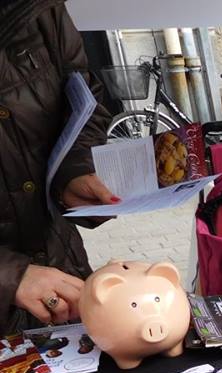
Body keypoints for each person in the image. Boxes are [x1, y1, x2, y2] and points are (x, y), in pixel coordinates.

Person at [1, 0, 117, 334]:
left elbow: (85, 100)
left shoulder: (41, 9)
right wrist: (10, 276)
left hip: (62, 276)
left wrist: (73, 170)